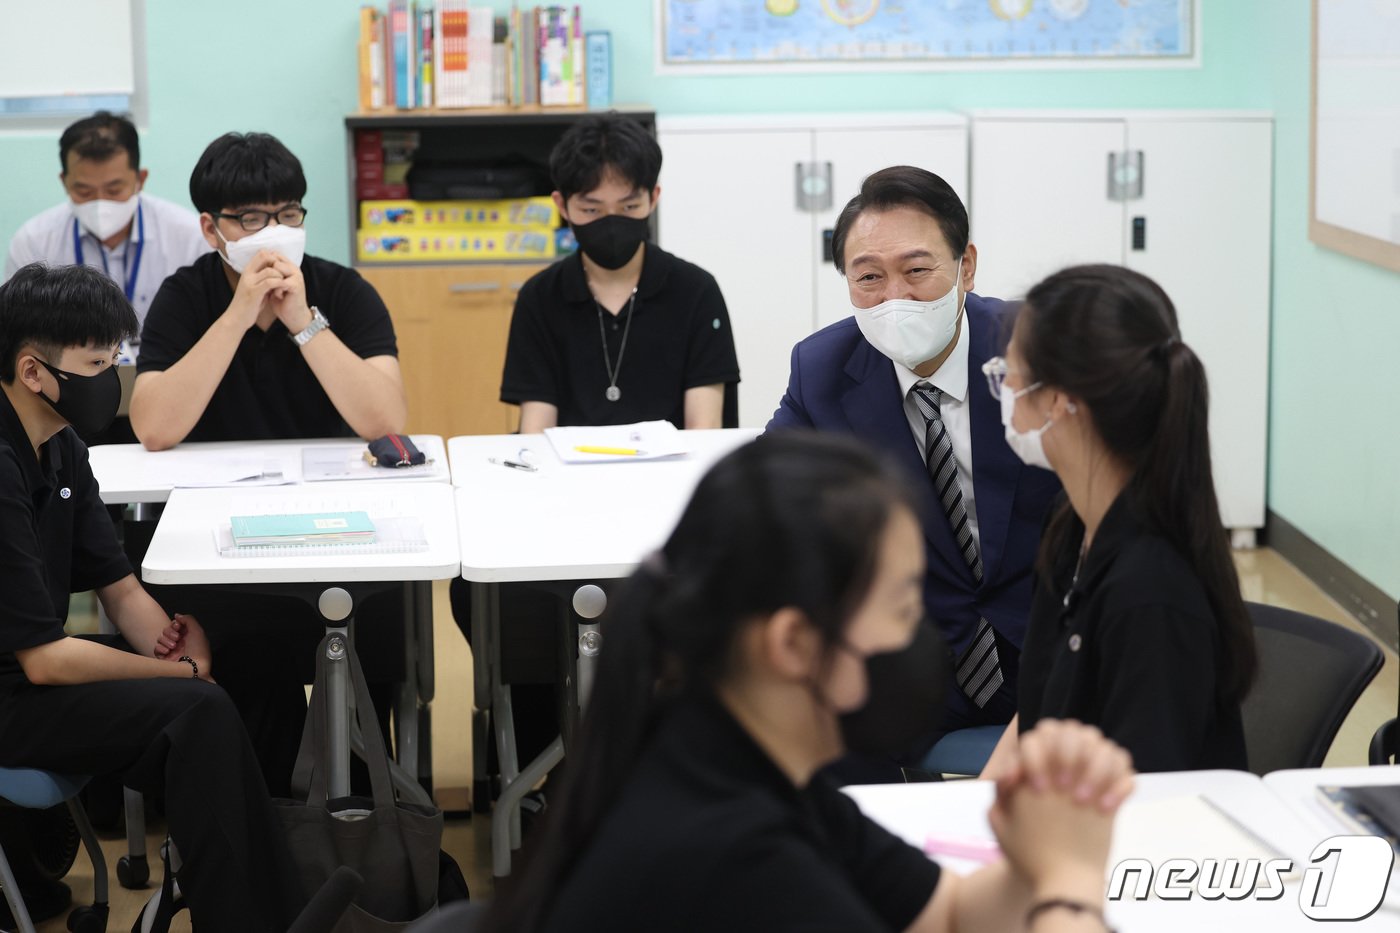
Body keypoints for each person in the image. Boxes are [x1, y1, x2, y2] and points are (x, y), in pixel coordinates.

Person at [483, 433, 1134, 933]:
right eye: (905, 608)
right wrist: (1070, 879)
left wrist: (1034, 857)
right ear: (794, 642)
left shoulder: (748, 767)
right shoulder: (736, 859)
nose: (922, 637)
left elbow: (953, 913)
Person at [0, 262, 302, 931]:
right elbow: (46, 660)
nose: (112, 377)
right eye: (97, 361)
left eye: (116, 358)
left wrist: (172, 641)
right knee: (193, 708)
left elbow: (120, 584)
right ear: (33, 372)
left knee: (254, 665)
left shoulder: (61, 446)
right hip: (14, 694)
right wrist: (176, 671)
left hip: (32, 675)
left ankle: (272, 903)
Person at [126, 131, 408, 795]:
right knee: (243, 655)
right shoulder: (185, 296)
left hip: (336, 530)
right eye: (250, 218)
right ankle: (263, 816)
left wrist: (303, 319)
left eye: (286, 213)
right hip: (218, 544)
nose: (272, 231)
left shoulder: (341, 288)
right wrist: (238, 312)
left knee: (384, 627)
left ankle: (368, 810)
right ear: (210, 227)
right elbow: (155, 426)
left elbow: (384, 418)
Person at [768, 166, 1062, 767]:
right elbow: (768, 501)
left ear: (966, 266)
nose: (894, 297)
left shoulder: (1037, 348)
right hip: (908, 653)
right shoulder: (823, 369)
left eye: (917, 270)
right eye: (869, 277)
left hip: (1054, 644)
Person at [980, 264, 1257, 774]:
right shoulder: (1070, 529)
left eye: (1009, 375)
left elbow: (1144, 805)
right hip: (1061, 817)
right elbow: (1035, 717)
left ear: (1062, 402)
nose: (1003, 389)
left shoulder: (1151, 590)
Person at [500, 112, 740, 432]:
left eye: (629, 207)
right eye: (592, 210)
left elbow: (704, 430)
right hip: (568, 478)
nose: (611, 223)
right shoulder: (540, 297)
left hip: (671, 477)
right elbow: (535, 430)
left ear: (653, 198)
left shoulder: (696, 291)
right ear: (562, 205)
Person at [3, 111, 208, 346]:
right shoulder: (33, 242)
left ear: (140, 179)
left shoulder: (190, 236)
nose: (100, 204)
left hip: (168, 373)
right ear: (64, 182)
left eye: (114, 190)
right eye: (84, 192)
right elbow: (18, 338)